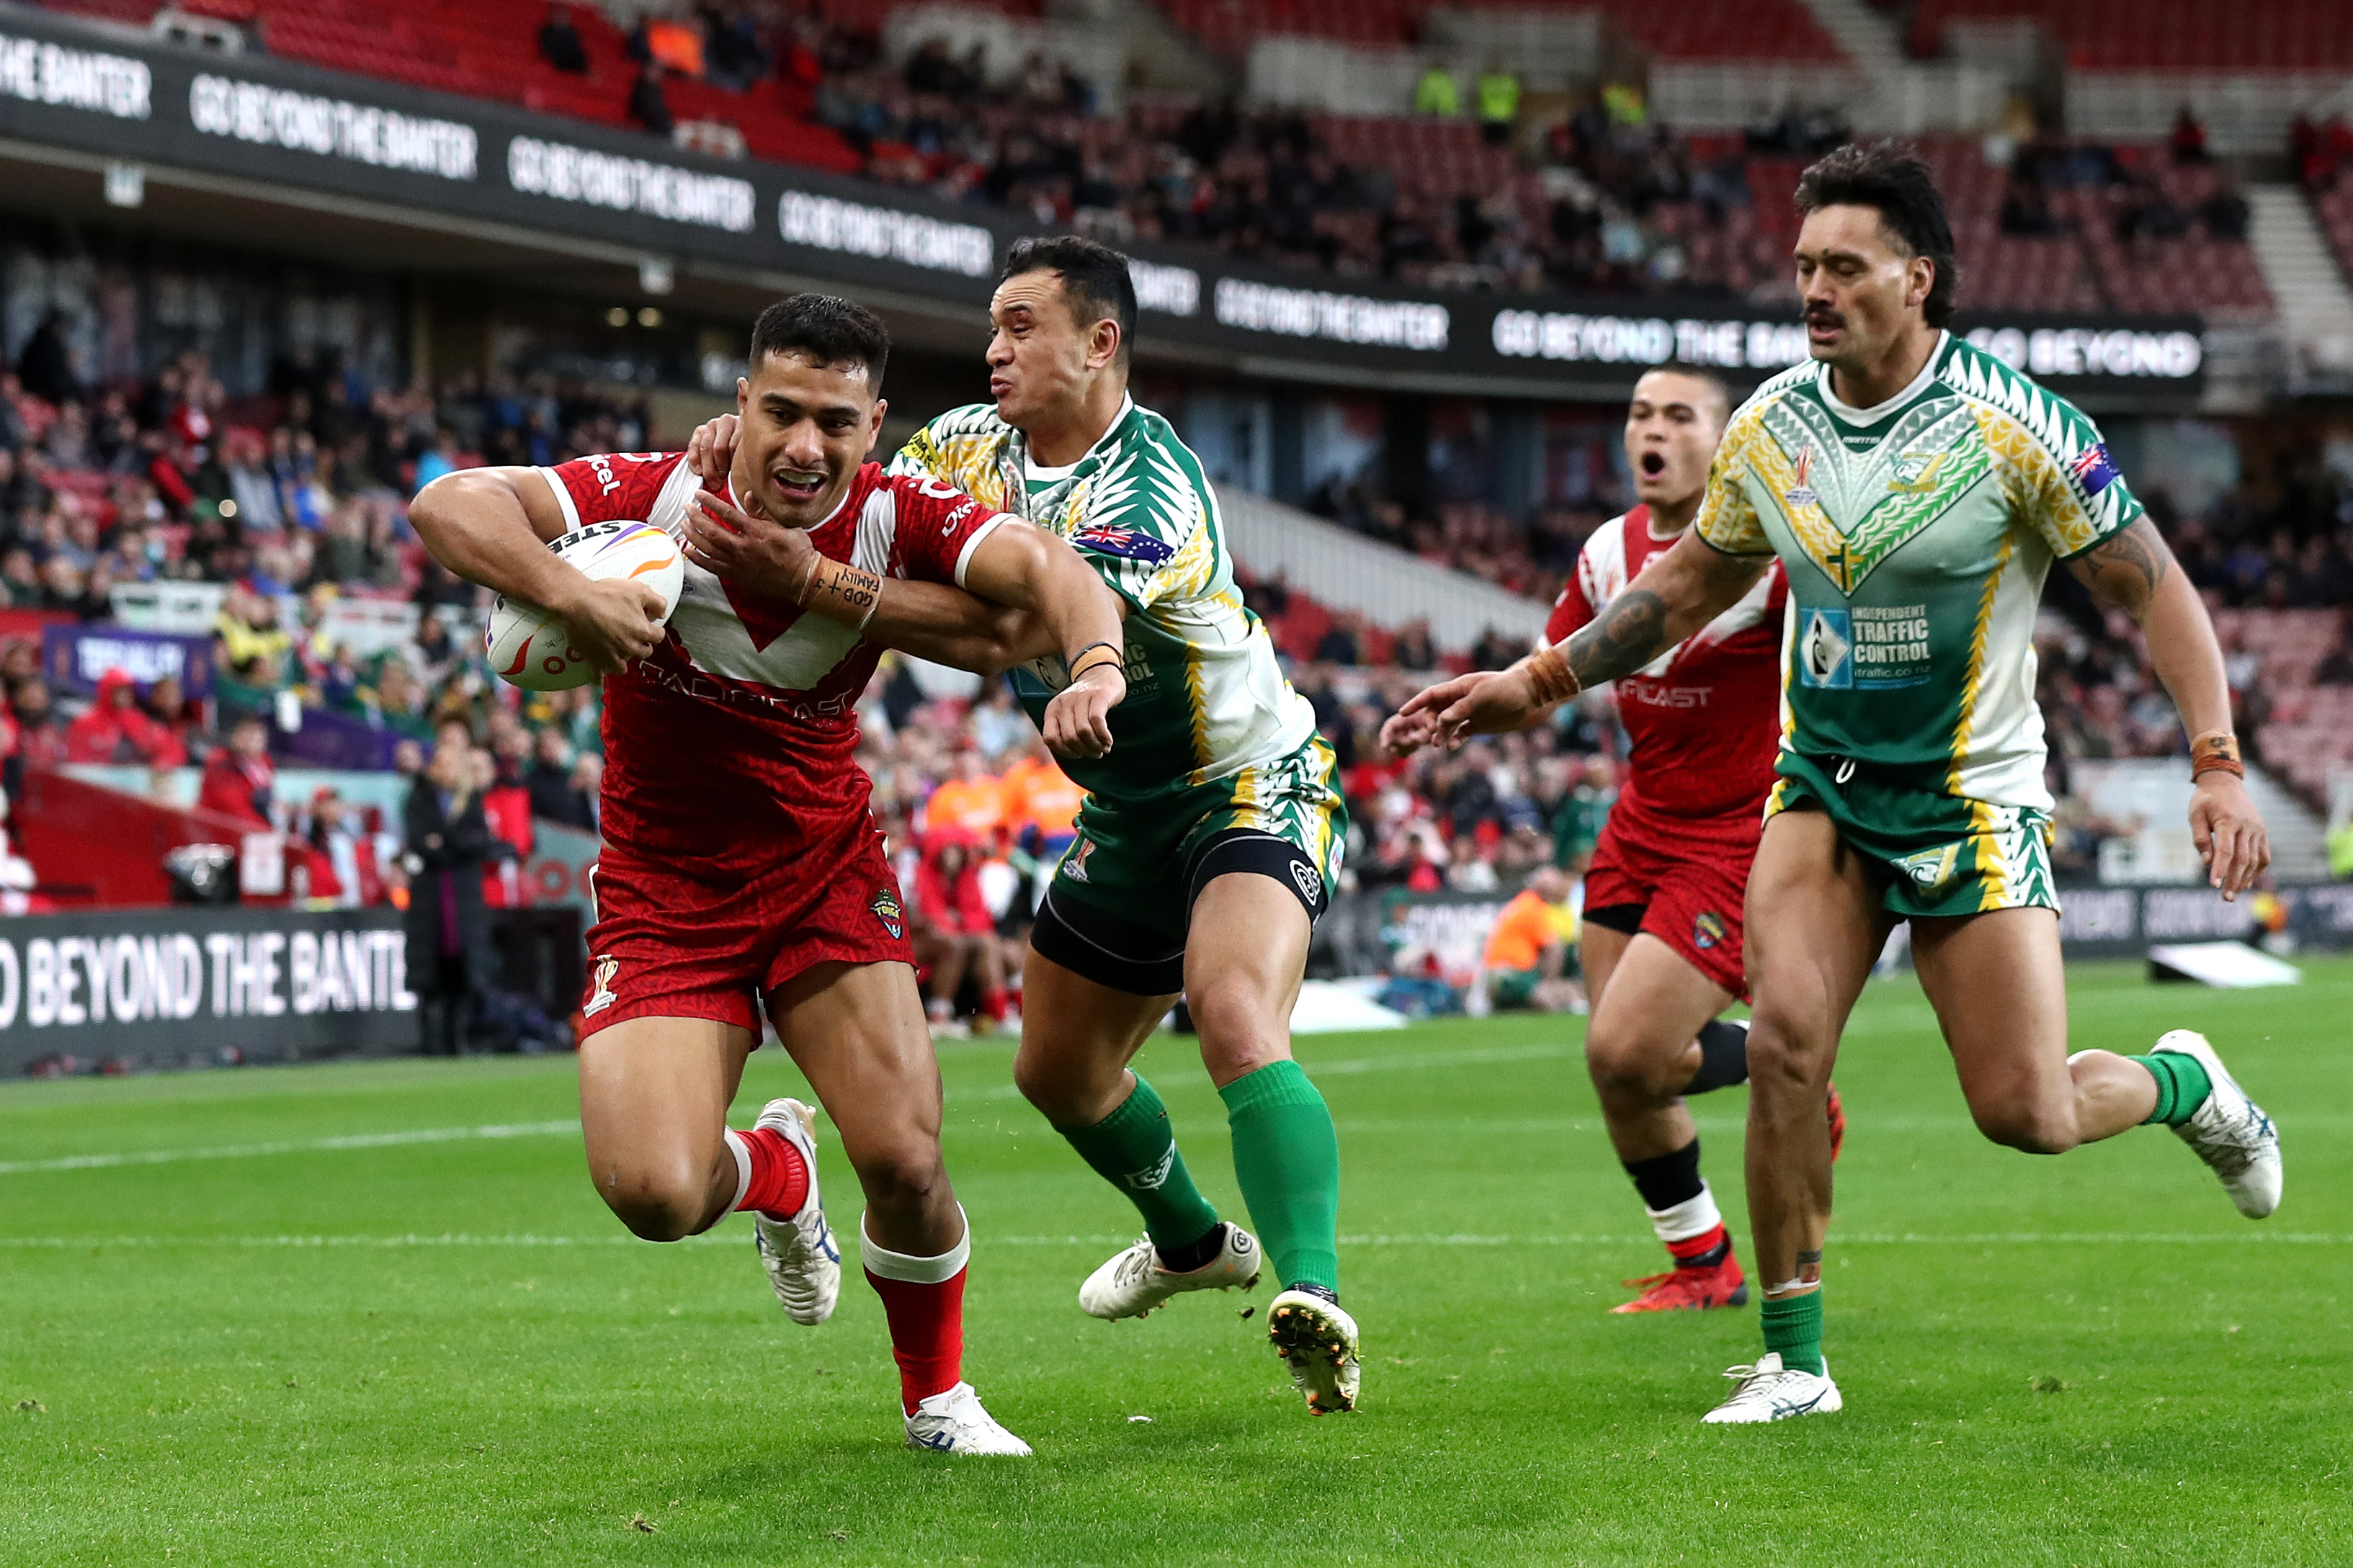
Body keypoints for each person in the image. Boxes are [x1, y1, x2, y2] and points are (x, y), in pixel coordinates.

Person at [1383, 142, 2280, 1424]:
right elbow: (1687, 585)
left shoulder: (2015, 425)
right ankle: (1794, 1358)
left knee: (2024, 1112)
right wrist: (1533, 683)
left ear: (1917, 279)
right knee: (1791, 1047)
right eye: (1804, 266)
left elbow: (2154, 590)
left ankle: (2187, 1082)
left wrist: (2215, 762)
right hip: (1820, 789)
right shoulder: (1770, 425)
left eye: (1844, 267)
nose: (1815, 289)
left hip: (1972, 798)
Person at [411, 293, 1126, 1456]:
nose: (805, 444)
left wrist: (1094, 666)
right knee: (653, 1193)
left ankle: (935, 1397)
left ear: (873, 426)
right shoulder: (652, 494)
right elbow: (451, 502)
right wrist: (573, 592)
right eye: (781, 410)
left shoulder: (898, 516)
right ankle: (774, 1170)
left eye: (836, 422)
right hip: (664, 888)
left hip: (822, 870)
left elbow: (1047, 574)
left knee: (903, 1153)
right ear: (739, 404)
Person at [689, 236, 1362, 1415]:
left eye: (1020, 328)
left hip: (1250, 781)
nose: (993, 350)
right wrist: (736, 455)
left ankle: (1315, 1292)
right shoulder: (961, 444)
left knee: (1235, 1009)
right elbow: (847, 498)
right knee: (1057, 1070)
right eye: (990, 328)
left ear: (1099, 344)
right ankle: (1194, 1241)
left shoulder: (1150, 489)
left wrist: (817, 584)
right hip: (1127, 808)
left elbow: (1001, 625)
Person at [1542, 364, 1841, 1315]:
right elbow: (1553, 664)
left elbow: (1835, 681)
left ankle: (1789, 1064)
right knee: (1622, 1063)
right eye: (1638, 414)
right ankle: (1703, 1261)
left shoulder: (1767, 562)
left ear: (1722, 442)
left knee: (1626, 1049)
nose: (1651, 431)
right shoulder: (1602, 553)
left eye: (1678, 415)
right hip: (1639, 822)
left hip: (1734, 831)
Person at [403, 740, 496, 1055]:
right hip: (430, 897)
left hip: (463, 896)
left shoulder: (471, 800)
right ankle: (430, 1042)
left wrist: (442, 840)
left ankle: (458, 1040)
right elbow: (419, 841)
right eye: (440, 763)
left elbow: (479, 843)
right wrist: (454, 843)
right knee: (429, 972)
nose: (444, 770)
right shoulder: (420, 798)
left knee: (464, 969)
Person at [1479, 864, 1580, 1013]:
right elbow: (1554, 949)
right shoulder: (1534, 908)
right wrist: (1549, 984)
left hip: (1495, 974)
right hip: (1513, 974)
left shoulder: (1523, 902)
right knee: (1551, 1001)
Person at [197, 714, 275, 828]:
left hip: (252, 829)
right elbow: (233, 809)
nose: (251, 742)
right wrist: (267, 830)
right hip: (217, 829)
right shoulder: (221, 763)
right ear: (235, 736)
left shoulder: (265, 763)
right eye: (246, 736)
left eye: (258, 738)